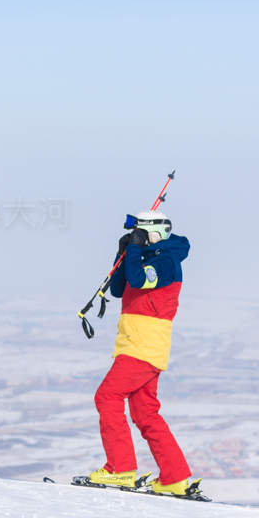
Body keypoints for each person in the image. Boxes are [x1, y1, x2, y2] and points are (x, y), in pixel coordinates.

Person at [87, 210, 194, 494]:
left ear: (154, 234)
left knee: (107, 396)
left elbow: (138, 280)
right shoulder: (148, 257)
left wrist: (135, 248)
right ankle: (174, 477)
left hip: (143, 347)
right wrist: (123, 253)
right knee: (145, 413)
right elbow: (120, 288)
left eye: (141, 234)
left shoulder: (167, 262)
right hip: (137, 344)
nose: (138, 239)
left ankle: (119, 468)